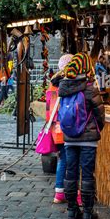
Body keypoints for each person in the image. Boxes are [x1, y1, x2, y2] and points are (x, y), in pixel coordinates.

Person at [58, 53, 105, 219]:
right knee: (87, 174)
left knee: (70, 173)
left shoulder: (63, 87)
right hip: (88, 140)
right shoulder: (90, 87)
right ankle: (87, 213)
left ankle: (71, 211)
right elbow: (100, 114)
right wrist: (96, 129)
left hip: (69, 139)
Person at [46, 54, 73, 203]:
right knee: (69, 160)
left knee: (62, 159)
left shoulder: (53, 82)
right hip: (66, 126)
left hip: (56, 127)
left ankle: (59, 192)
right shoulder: (68, 82)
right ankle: (70, 193)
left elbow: (48, 107)